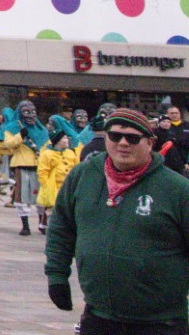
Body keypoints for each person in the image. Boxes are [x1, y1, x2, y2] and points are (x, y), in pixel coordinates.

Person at [45, 107, 189, 334]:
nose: (123, 143)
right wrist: (57, 276)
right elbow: (61, 228)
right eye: (115, 136)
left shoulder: (176, 189)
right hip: (99, 315)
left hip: (161, 320)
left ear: (150, 143)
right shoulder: (83, 176)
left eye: (132, 138)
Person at [1, 99, 50, 236]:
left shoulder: (41, 129)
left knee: (41, 196)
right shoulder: (12, 127)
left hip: (39, 166)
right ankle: (25, 225)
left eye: (33, 112)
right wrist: (21, 135)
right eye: (26, 112)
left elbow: (47, 146)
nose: (30, 115)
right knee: (22, 196)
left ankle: (42, 223)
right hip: (21, 165)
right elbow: (8, 144)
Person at [36, 133, 76, 235]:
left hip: (69, 187)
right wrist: (46, 186)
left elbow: (76, 168)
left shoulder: (71, 153)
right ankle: (53, 231)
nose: (67, 140)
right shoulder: (47, 154)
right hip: (53, 187)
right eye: (64, 138)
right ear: (58, 141)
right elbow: (42, 171)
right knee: (52, 210)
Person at [156, 105, 188, 176]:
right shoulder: (161, 130)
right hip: (169, 161)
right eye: (172, 113)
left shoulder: (186, 125)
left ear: (180, 113)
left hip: (184, 157)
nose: (174, 115)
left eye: (176, 113)